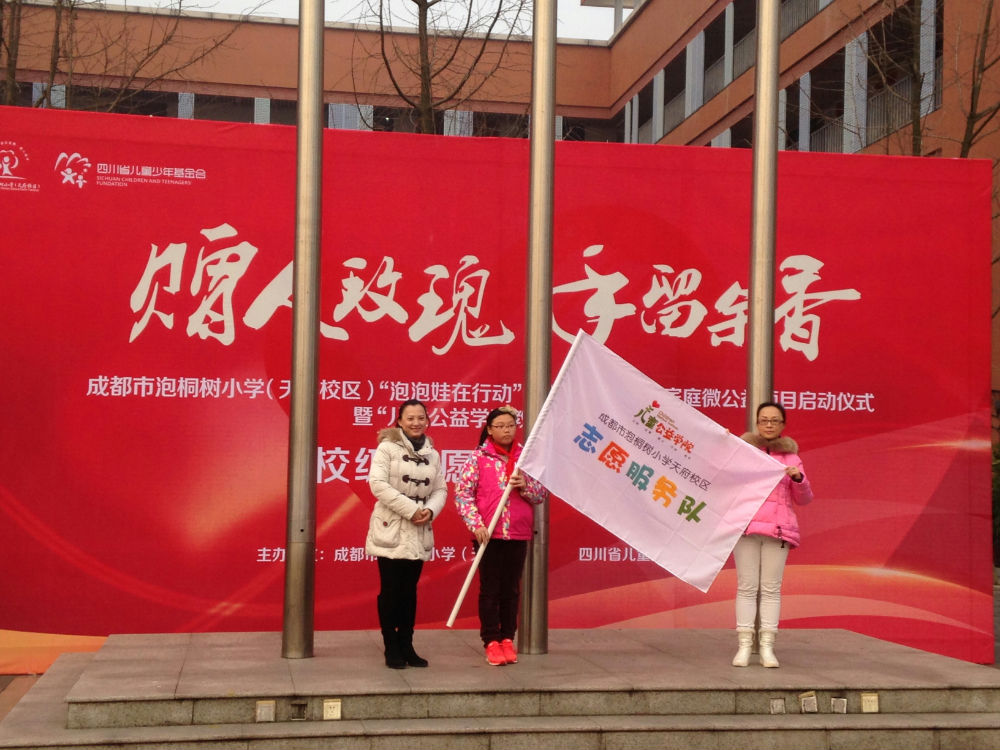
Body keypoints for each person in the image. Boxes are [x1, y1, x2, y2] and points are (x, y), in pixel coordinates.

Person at [454, 406, 548, 666]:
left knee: (511, 590)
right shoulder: (478, 458)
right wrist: (476, 524)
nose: (507, 430)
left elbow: (541, 494)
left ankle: (507, 638)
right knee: (490, 590)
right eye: (501, 426)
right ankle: (491, 641)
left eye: (510, 425)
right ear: (489, 429)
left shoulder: (525, 458)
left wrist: (525, 486)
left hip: (517, 533)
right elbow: (463, 494)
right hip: (489, 535)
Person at [365, 399, 447, 669]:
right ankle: (391, 646)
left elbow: (440, 489)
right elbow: (377, 484)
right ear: (399, 421)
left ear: (427, 421)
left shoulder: (433, 454)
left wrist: (430, 510)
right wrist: (411, 509)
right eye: (410, 418)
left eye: (421, 418)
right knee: (391, 590)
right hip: (391, 527)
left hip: (419, 528)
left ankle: (407, 645)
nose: (416, 423)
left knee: (409, 591)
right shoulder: (387, 448)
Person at [731, 401, 813, 668]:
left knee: (770, 589)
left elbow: (804, 499)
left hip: (778, 530)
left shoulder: (792, 458)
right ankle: (744, 646)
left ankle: (767, 647)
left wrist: (799, 479)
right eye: (764, 420)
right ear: (756, 423)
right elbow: (726, 481)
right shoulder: (743, 452)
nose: (768, 425)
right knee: (746, 587)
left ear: (783, 425)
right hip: (747, 528)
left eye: (774, 420)